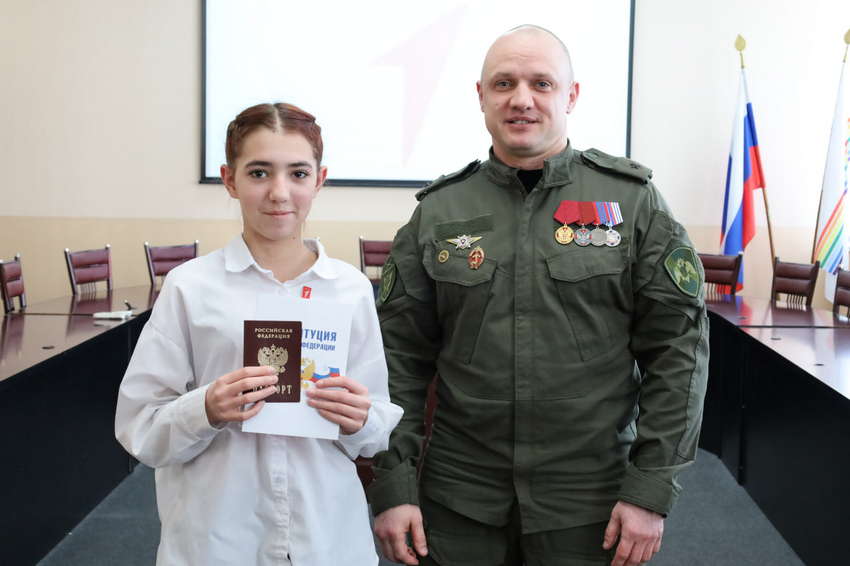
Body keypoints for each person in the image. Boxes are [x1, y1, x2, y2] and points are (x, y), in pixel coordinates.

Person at [370, 25, 708, 566]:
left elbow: (679, 352)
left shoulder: (632, 204)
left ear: (570, 95)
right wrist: (395, 484)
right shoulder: (439, 211)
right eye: (503, 83)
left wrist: (650, 487)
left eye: (541, 83)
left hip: (589, 497)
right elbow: (397, 359)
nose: (521, 99)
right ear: (481, 95)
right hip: (459, 493)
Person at [115, 102, 402, 566]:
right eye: (259, 173)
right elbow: (140, 427)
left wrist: (359, 418)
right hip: (218, 540)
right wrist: (205, 408)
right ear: (230, 180)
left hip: (325, 538)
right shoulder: (191, 287)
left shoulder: (349, 289)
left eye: (298, 173)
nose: (279, 192)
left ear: (319, 180)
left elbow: (374, 430)